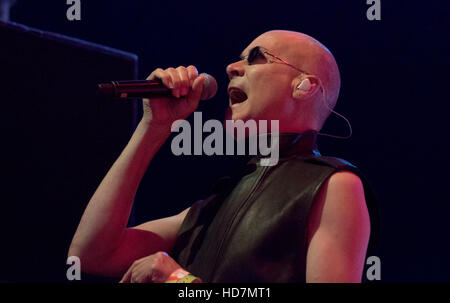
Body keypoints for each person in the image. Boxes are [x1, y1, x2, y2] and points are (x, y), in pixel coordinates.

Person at [68, 30, 377, 283]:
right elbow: (90, 254)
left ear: (305, 86)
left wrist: (180, 282)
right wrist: (154, 127)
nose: (232, 67)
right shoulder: (219, 201)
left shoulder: (334, 185)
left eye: (256, 58)